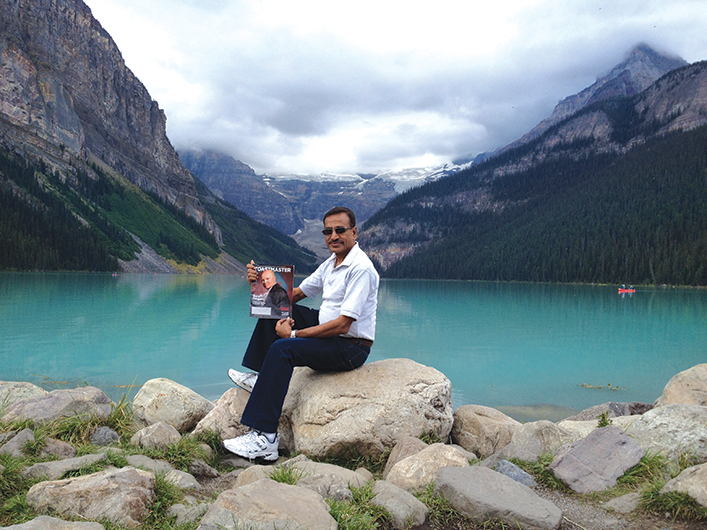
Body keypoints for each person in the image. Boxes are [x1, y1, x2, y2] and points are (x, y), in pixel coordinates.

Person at [224, 206, 379, 461]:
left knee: (283, 349)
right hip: (330, 331)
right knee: (277, 309)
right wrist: (258, 284)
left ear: (354, 232)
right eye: (328, 231)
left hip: (350, 346)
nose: (333, 236)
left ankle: (266, 440)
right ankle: (260, 378)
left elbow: (343, 325)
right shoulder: (332, 263)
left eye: (340, 230)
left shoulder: (360, 268)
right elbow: (291, 295)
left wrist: (295, 335)